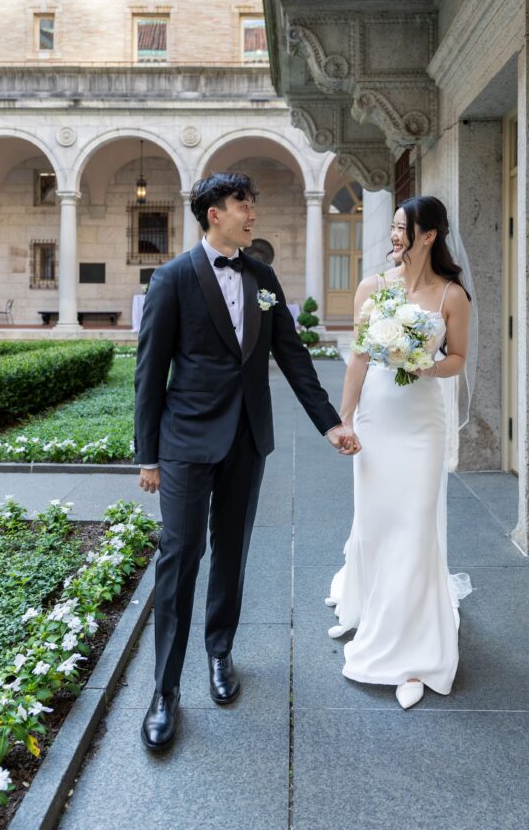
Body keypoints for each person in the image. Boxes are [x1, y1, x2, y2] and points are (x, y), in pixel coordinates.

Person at [134, 172, 360, 751]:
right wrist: (148, 455)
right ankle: (163, 691)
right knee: (180, 557)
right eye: (243, 203)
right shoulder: (171, 278)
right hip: (185, 442)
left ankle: (219, 654)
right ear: (214, 213)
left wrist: (329, 421)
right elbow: (149, 375)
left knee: (231, 552)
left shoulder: (262, 277)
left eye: (251, 203)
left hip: (246, 440)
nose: (252, 212)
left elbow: (292, 355)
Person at [327, 195, 472, 709]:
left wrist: (424, 363)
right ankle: (369, 606)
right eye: (391, 227)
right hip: (378, 417)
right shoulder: (373, 288)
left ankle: (412, 652)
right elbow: (359, 360)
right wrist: (342, 421)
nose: (393, 235)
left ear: (427, 235)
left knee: (414, 523)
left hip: (421, 423)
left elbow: (456, 359)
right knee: (376, 520)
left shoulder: (452, 295)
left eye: (401, 227)